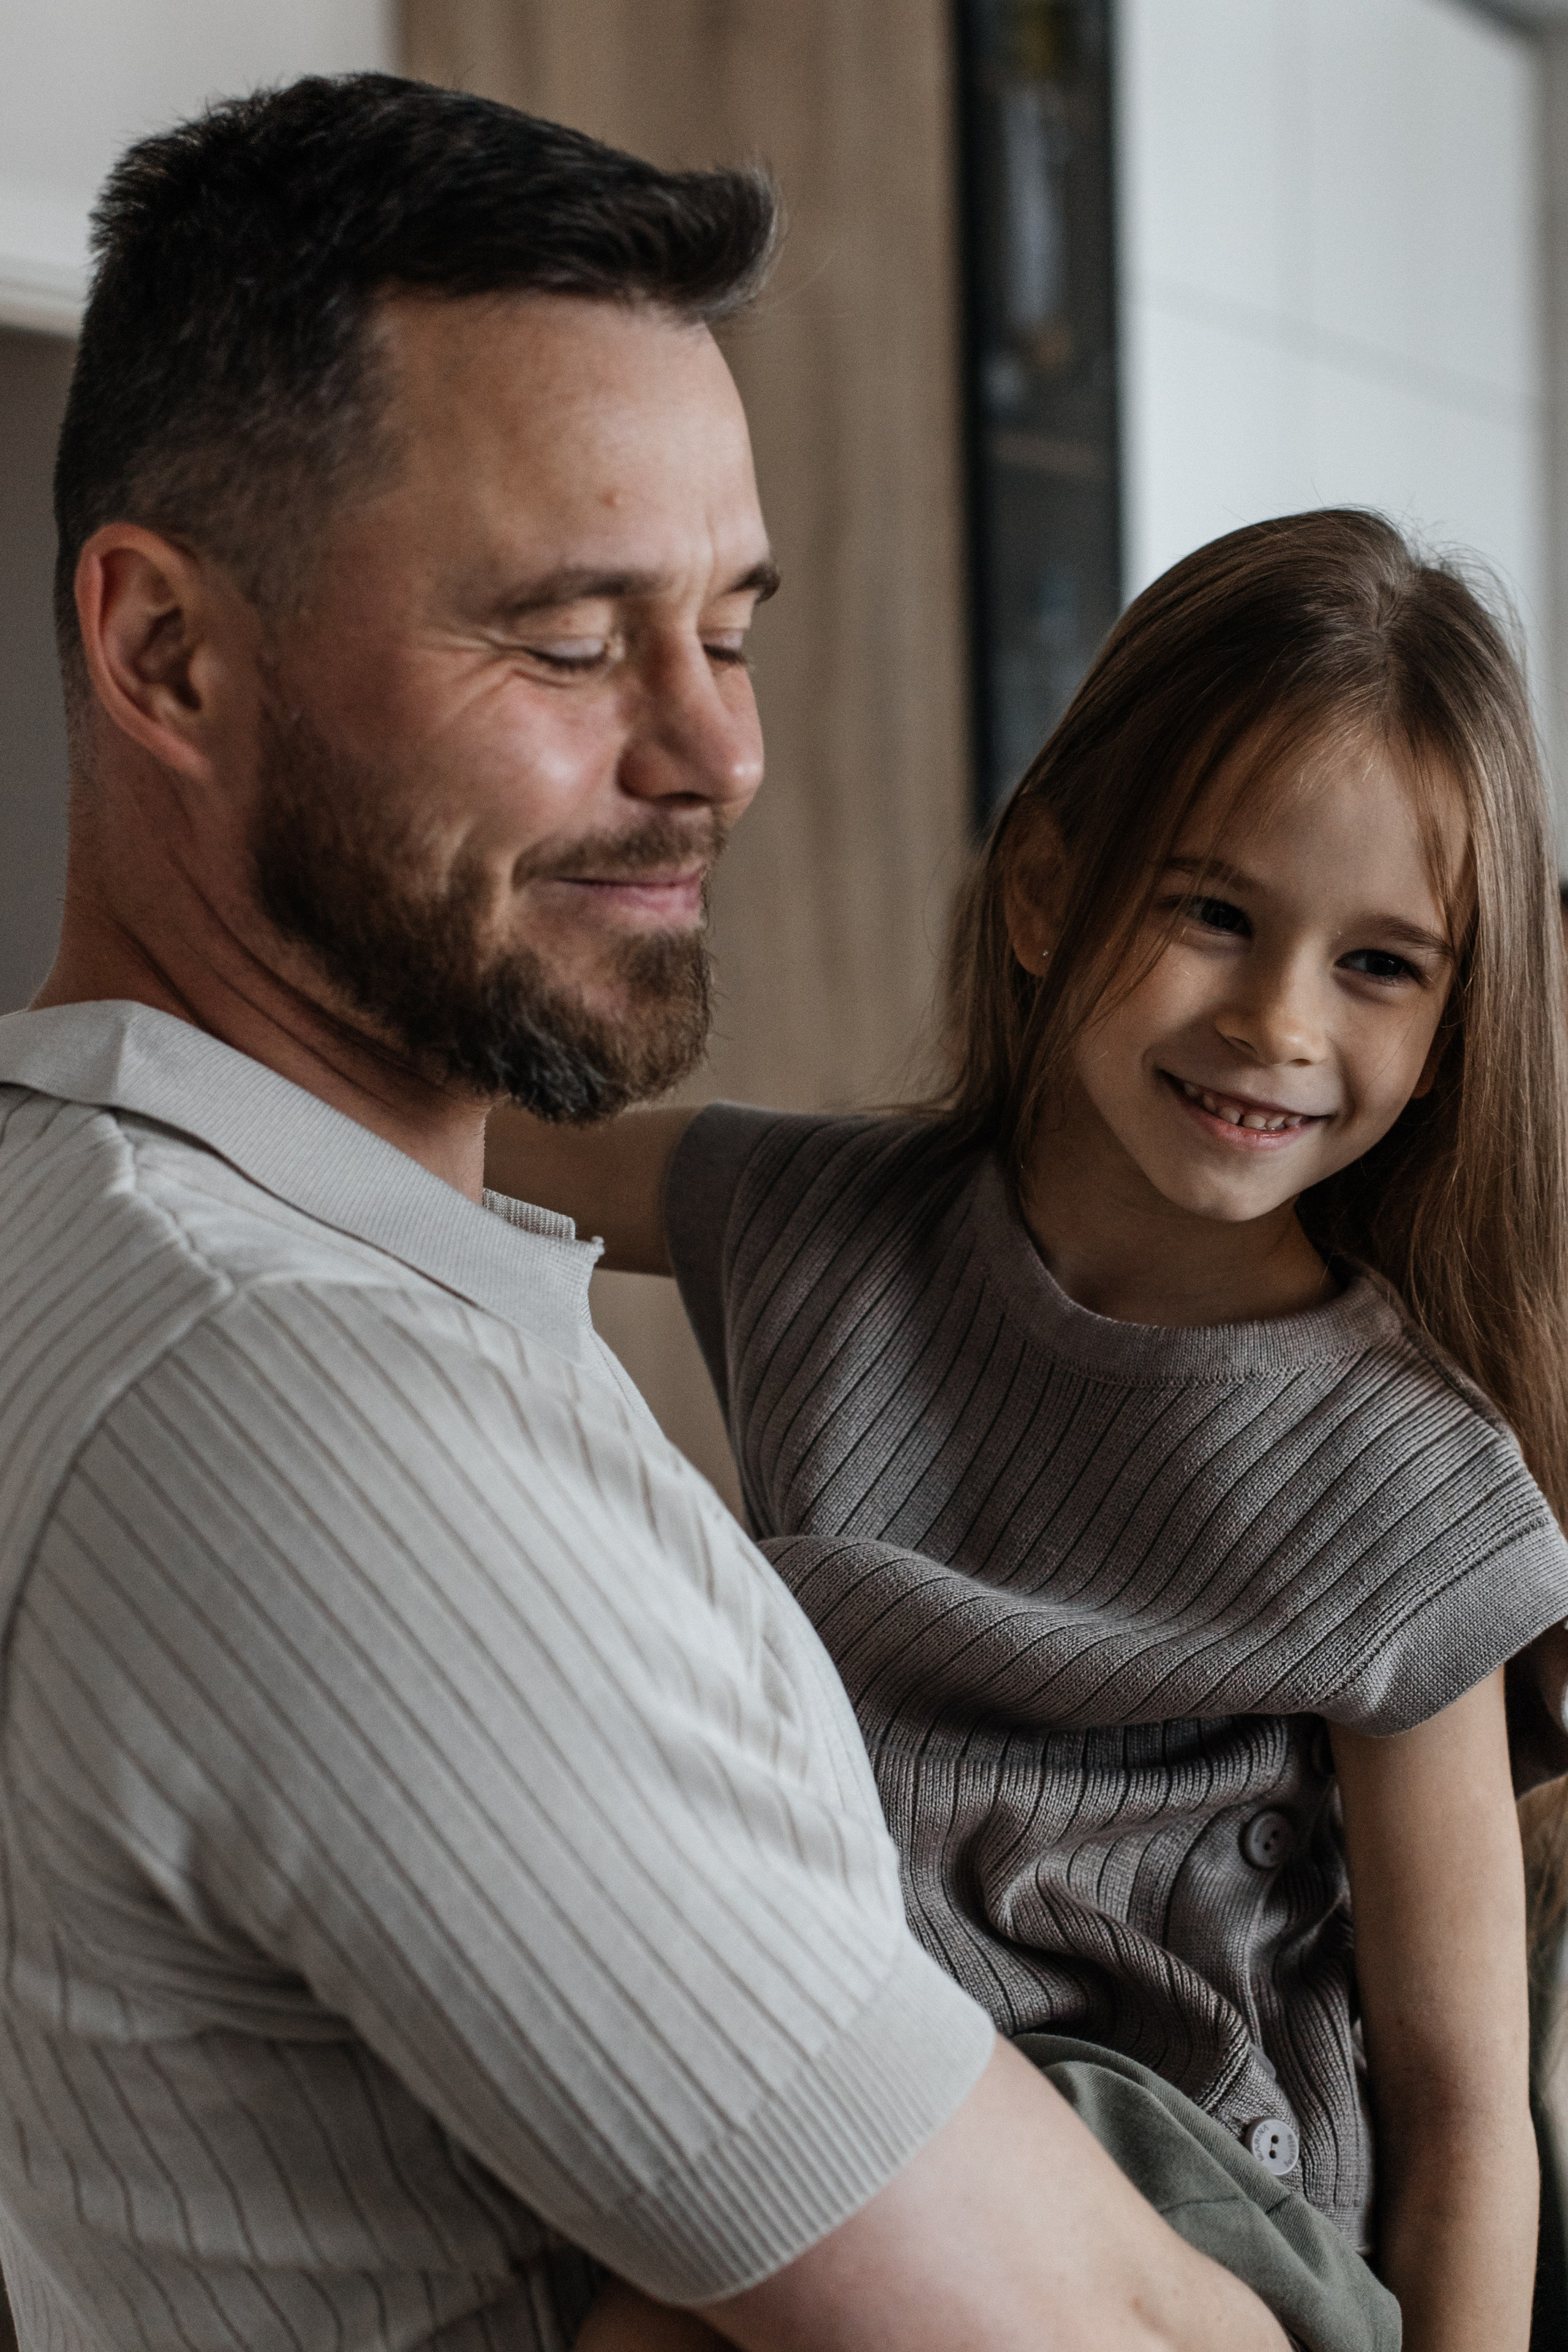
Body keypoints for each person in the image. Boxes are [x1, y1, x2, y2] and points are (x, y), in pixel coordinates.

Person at [0, 69, 1301, 2352]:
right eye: (575, 639)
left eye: (734, 622)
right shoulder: (313, 1419)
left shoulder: (82, 1225)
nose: (720, 751)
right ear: (169, 657)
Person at [489, 510, 1568, 2352]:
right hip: (834, 2076)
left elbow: (1466, 2102)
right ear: (1050, 892)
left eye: (1380, 965)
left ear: (1458, 1019)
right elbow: (457, 1127)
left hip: (1184, 2196)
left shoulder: (1408, 1483)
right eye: (1216, 913)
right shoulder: (827, 1226)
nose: (1278, 1022)